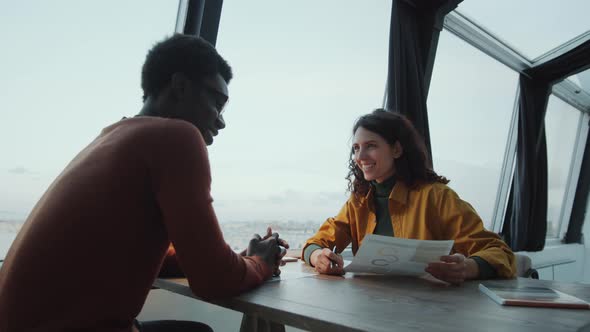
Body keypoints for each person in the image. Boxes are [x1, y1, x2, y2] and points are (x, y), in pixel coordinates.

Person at [0, 34, 287, 332]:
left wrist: (238, 260)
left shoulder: (112, 137)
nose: (221, 121)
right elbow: (213, 280)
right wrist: (261, 264)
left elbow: (129, 255)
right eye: (217, 102)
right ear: (180, 86)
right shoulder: (176, 137)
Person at [303, 109, 516, 284]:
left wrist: (468, 268)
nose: (360, 157)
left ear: (396, 149)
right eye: (356, 148)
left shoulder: (437, 197)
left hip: (430, 311)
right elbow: (316, 242)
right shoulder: (358, 202)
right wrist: (317, 256)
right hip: (368, 308)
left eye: (371, 146)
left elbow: (500, 252)